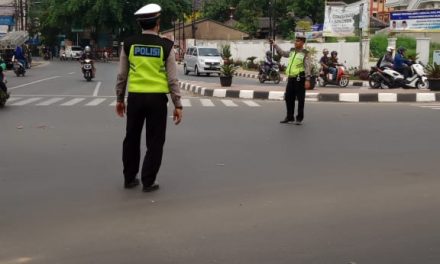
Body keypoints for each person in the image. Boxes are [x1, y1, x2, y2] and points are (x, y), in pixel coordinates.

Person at [115, 3, 183, 192]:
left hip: (135, 98)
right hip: (157, 100)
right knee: (155, 141)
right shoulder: (166, 46)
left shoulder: (129, 44)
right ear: (157, 24)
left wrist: (120, 99)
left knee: (131, 138)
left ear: (140, 24)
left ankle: (129, 178)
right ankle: (148, 180)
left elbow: (122, 76)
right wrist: (178, 104)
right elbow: (172, 79)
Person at [270, 32, 311, 125]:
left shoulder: (305, 53)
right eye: (295, 41)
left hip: (300, 79)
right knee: (288, 98)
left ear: (302, 43)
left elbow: (307, 67)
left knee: (300, 99)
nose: (295, 42)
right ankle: (289, 117)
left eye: (298, 41)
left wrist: (308, 79)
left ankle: (299, 118)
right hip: (291, 78)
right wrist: (275, 45)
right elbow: (283, 53)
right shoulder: (292, 51)